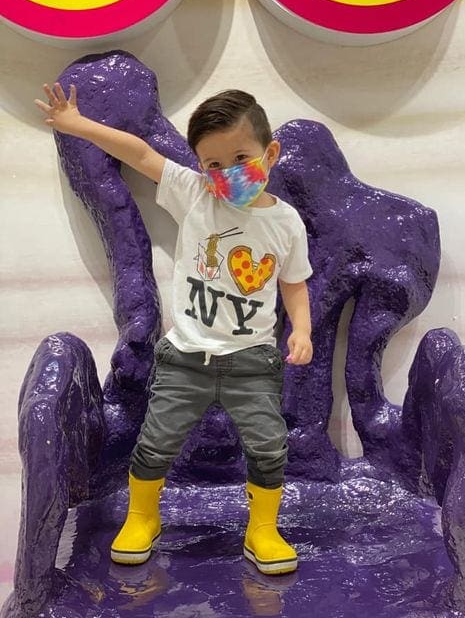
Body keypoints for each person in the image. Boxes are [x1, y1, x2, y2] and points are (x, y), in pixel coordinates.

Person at [35, 83, 313, 575]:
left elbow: (294, 282)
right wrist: (76, 124)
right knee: (156, 440)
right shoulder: (195, 195)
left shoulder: (287, 222)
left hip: (252, 362)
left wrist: (303, 330)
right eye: (213, 163)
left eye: (240, 157)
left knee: (269, 444)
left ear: (271, 153)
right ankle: (143, 517)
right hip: (187, 357)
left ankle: (263, 529)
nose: (226, 173)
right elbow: (140, 153)